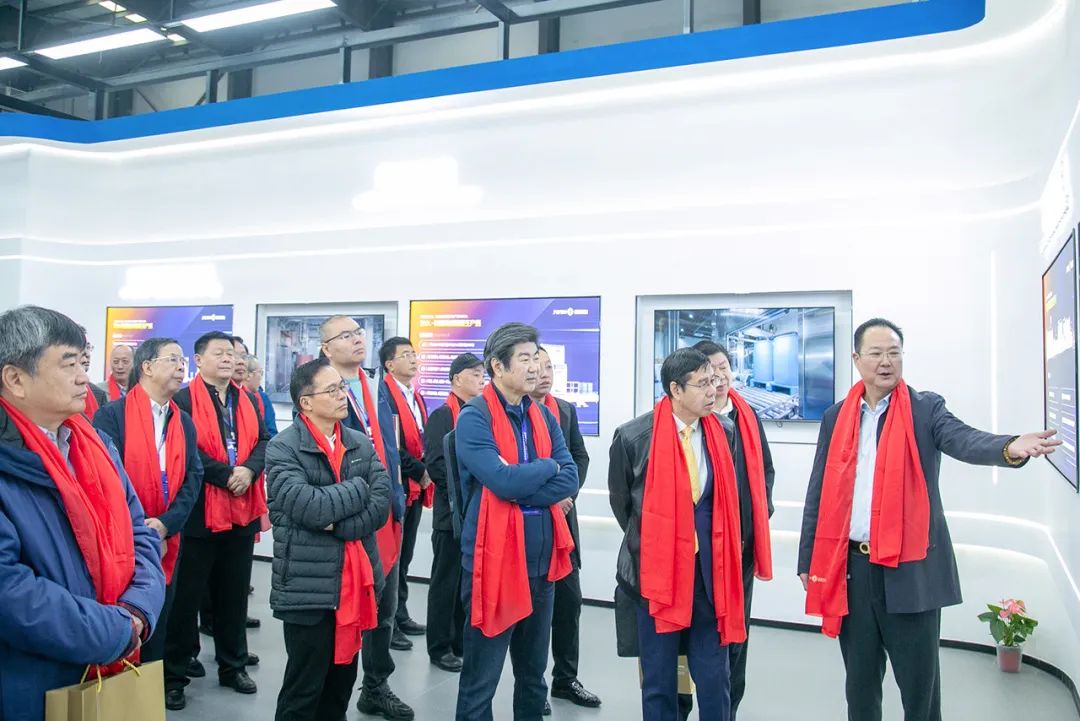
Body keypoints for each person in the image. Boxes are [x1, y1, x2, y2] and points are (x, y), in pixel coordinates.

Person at [798, 318, 1060, 721]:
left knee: (919, 691)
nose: (886, 362)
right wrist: (807, 559)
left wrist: (1009, 447)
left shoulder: (925, 409)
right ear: (856, 358)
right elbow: (818, 489)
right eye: (876, 353)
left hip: (910, 569)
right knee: (860, 687)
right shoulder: (837, 417)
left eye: (894, 353)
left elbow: (964, 439)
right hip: (853, 570)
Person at [0, 306, 164, 721]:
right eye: (68, 364)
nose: (82, 378)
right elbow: (10, 591)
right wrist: (115, 630)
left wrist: (138, 611)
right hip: (29, 678)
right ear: (16, 379)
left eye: (83, 364)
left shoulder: (95, 445)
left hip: (110, 654)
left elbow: (140, 532)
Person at [608, 347, 746, 721]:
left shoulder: (724, 431)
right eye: (702, 384)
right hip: (657, 577)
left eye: (714, 381)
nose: (713, 391)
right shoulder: (634, 437)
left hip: (709, 576)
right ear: (675, 389)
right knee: (659, 678)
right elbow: (624, 505)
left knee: (715, 677)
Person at [455, 323, 579, 721]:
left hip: (541, 563)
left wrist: (520, 480)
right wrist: (545, 467)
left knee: (533, 675)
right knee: (481, 679)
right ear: (498, 366)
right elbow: (501, 481)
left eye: (537, 358)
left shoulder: (542, 414)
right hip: (494, 562)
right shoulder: (474, 417)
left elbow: (570, 477)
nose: (535, 367)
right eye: (525, 359)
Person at [267, 358, 392, 721]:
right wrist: (357, 488)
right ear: (306, 402)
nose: (342, 395)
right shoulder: (283, 447)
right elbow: (310, 507)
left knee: (340, 689)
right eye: (332, 389)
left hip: (356, 584)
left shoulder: (358, 442)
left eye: (342, 387)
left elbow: (380, 503)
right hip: (308, 587)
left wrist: (339, 525)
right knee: (304, 689)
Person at [165, 331, 271, 710]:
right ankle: (174, 675)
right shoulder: (182, 400)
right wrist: (227, 475)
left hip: (240, 511)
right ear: (199, 360)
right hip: (198, 514)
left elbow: (263, 441)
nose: (228, 359)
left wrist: (248, 470)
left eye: (232, 353)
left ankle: (232, 666)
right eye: (219, 353)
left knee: (233, 595)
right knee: (186, 598)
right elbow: (185, 450)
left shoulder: (247, 398)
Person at [317, 315, 412, 720]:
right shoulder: (321, 389)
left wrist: (396, 496)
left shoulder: (375, 386)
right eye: (346, 335)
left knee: (383, 609)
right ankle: (328, 693)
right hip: (346, 516)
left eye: (359, 333)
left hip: (384, 511)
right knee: (340, 611)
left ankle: (375, 686)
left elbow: (388, 445)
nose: (357, 339)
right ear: (326, 348)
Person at [93, 337, 205, 663]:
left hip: (167, 535)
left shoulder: (183, 420)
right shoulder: (112, 415)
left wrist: (167, 523)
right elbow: (106, 478)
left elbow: (193, 477)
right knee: (126, 616)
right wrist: (140, 525)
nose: (181, 367)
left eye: (183, 361)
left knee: (162, 614)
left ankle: (160, 681)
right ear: (147, 367)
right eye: (172, 359)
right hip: (124, 535)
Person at [692, 340, 773, 721]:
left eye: (724, 366)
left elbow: (765, 472)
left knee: (736, 635)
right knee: (691, 638)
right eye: (710, 370)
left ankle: (728, 710)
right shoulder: (684, 421)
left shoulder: (746, 416)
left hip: (740, 550)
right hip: (698, 553)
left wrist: (755, 519)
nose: (720, 376)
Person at [528, 346, 601, 713]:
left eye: (549, 367)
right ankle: (533, 686)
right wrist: (549, 499)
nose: (544, 373)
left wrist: (566, 494)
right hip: (533, 522)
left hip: (564, 524)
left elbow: (579, 456)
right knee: (534, 612)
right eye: (536, 366)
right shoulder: (514, 414)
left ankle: (565, 679)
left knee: (569, 604)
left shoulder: (565, 410)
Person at [423, 352, 485, 673]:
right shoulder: (443, 415)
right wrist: (464, 496)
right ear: (457, 379)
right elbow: (436, 466)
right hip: (450, 515)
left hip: (474, 513)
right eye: (475, 375)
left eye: (483, 375)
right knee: (445, 582)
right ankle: (439, 646)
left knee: (466, 582)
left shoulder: (477, 414)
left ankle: (459, 640)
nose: (481, 381)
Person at [378, 336, 431, 646]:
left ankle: (400, 613)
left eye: (414, 354)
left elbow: (421, 437)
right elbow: (390, 444)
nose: (413, 359)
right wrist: (420, 470)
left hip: (415, 485)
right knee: (392, 556)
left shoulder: (414, 394)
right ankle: (387, 623)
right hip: (398, 485)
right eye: (406, 355)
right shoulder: (384, 395)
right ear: (389, 364)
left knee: (405, 555)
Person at [245, 354, 278, 438]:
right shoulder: (233, 397)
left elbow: (272, 433)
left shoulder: (263, 398)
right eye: (260, 372)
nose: (261, 377)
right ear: (248, 375)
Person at [77, 329, 107, 419]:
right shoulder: (54, 393)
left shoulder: (99, 394)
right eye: (81, 347)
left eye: (88, 347)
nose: (87, 354)